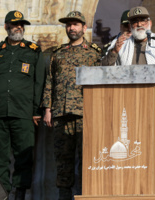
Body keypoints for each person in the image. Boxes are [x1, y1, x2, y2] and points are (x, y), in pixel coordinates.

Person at [0, 10, 45, 200]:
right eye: (14, 24)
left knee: (24, 158)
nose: (18, 27)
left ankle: (20, 194)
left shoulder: (33, 51)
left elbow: (39, 83)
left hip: (24, 113)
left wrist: (36, 111)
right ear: (6, 26)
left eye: (21, 25)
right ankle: (1, 195)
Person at [42, 11, 102, 200]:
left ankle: (85, 195)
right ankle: (64, 196)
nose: (72, 28)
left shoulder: (94, 54)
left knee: (86, 159)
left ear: (84, 28)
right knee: (62, 159)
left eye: (76, 25)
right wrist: (47, 109)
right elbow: (50, 81)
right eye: (69, 25)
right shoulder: (58, 54)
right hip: (60, 113)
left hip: (84, 114)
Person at [101, 6, 155, 82]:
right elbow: (105, 69)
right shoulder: (121, 44)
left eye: (143, 20)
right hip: (126, 93)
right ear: (130, 26)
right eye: (135, 21)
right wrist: (114, 52)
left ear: (150, 23)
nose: (139, 24)